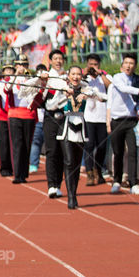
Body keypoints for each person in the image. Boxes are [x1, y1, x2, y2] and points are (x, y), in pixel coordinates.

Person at [46, 66, 105, 209]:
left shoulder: (87, 88)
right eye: (73, 74)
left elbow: (104, 97)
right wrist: (63, 96)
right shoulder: (63, 89)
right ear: (69, 75)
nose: (76, 77)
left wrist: (88, 94)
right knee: (69, 161)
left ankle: (74, 193)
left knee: (77, 164)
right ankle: (70, 197)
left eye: (78, 74)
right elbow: (50, 106)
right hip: (66, 128)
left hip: (81, 129)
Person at [107, 54, 139, 194]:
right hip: (117, 120)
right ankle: (117, 181)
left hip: (132, 121)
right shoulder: (117, 78)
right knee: (118, 152)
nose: (128, 65)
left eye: (131, 63)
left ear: (135, 65)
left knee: (133, 152)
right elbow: (124, 89)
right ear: (122, 65)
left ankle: (133, 183)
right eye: (126, 62)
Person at [42, 50, 69, 199]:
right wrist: (43, 81)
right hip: (51, 117)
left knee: (63, 152)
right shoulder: (46, 77)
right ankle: (51, 185)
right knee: (52, 151)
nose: (58, 61)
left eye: (61, 58)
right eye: (55, 58)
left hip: (66, 117)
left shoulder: (68, 77)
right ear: (51, 61)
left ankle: (58, 184)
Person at [82, 54, 110, 187]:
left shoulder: (104, 77)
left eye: (95, 64)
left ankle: (98, 171)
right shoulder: (85, 78)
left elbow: (110, 86)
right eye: (90, 64)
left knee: (102, 146)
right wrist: (85, 72)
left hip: (102, 117)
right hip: (89, 117)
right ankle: (89, 173)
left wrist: (100, 74)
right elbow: (77, 83)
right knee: (89, 145)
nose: (93, 67)